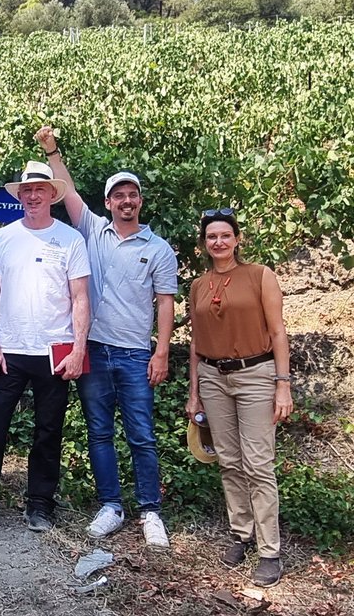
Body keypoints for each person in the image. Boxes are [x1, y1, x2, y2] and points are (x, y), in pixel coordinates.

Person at [37, 126, 177, 548]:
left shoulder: (159, 249)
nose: (126, 201)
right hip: (94, 349)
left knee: (141, 434)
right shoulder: (93, 231)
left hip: (136, 353)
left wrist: (162, 353)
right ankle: (111, 506)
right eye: (119, 195)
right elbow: (68, 191)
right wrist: (52, 151)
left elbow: (166, 304)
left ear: (140, 201)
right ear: (109, 203)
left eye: (132, 194)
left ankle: (150, 511)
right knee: (99, 431)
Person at [0, 160, 90, 536]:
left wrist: (77, 349)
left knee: (48, 430)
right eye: (28, 190)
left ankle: (40, 506)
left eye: (41, 189)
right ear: (21, 195)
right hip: (9, 351)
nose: (34, 196)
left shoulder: (71, 239)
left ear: (52, 195)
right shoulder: (3, 238)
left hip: (54, 352)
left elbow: (80, 298)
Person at [185, 209, 293, 588]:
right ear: (204, 243)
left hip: (257, 375)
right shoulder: (198, 286)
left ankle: (269, 550)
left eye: (225, 235)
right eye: (211, 236)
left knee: (258, 463)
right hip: (214, 378)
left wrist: (283, 384)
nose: (218, 242)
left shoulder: (260, 275)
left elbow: (278, 333)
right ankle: (241, 533)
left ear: (237, 239)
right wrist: (194, 393)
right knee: (229, 460)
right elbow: (197, 343)